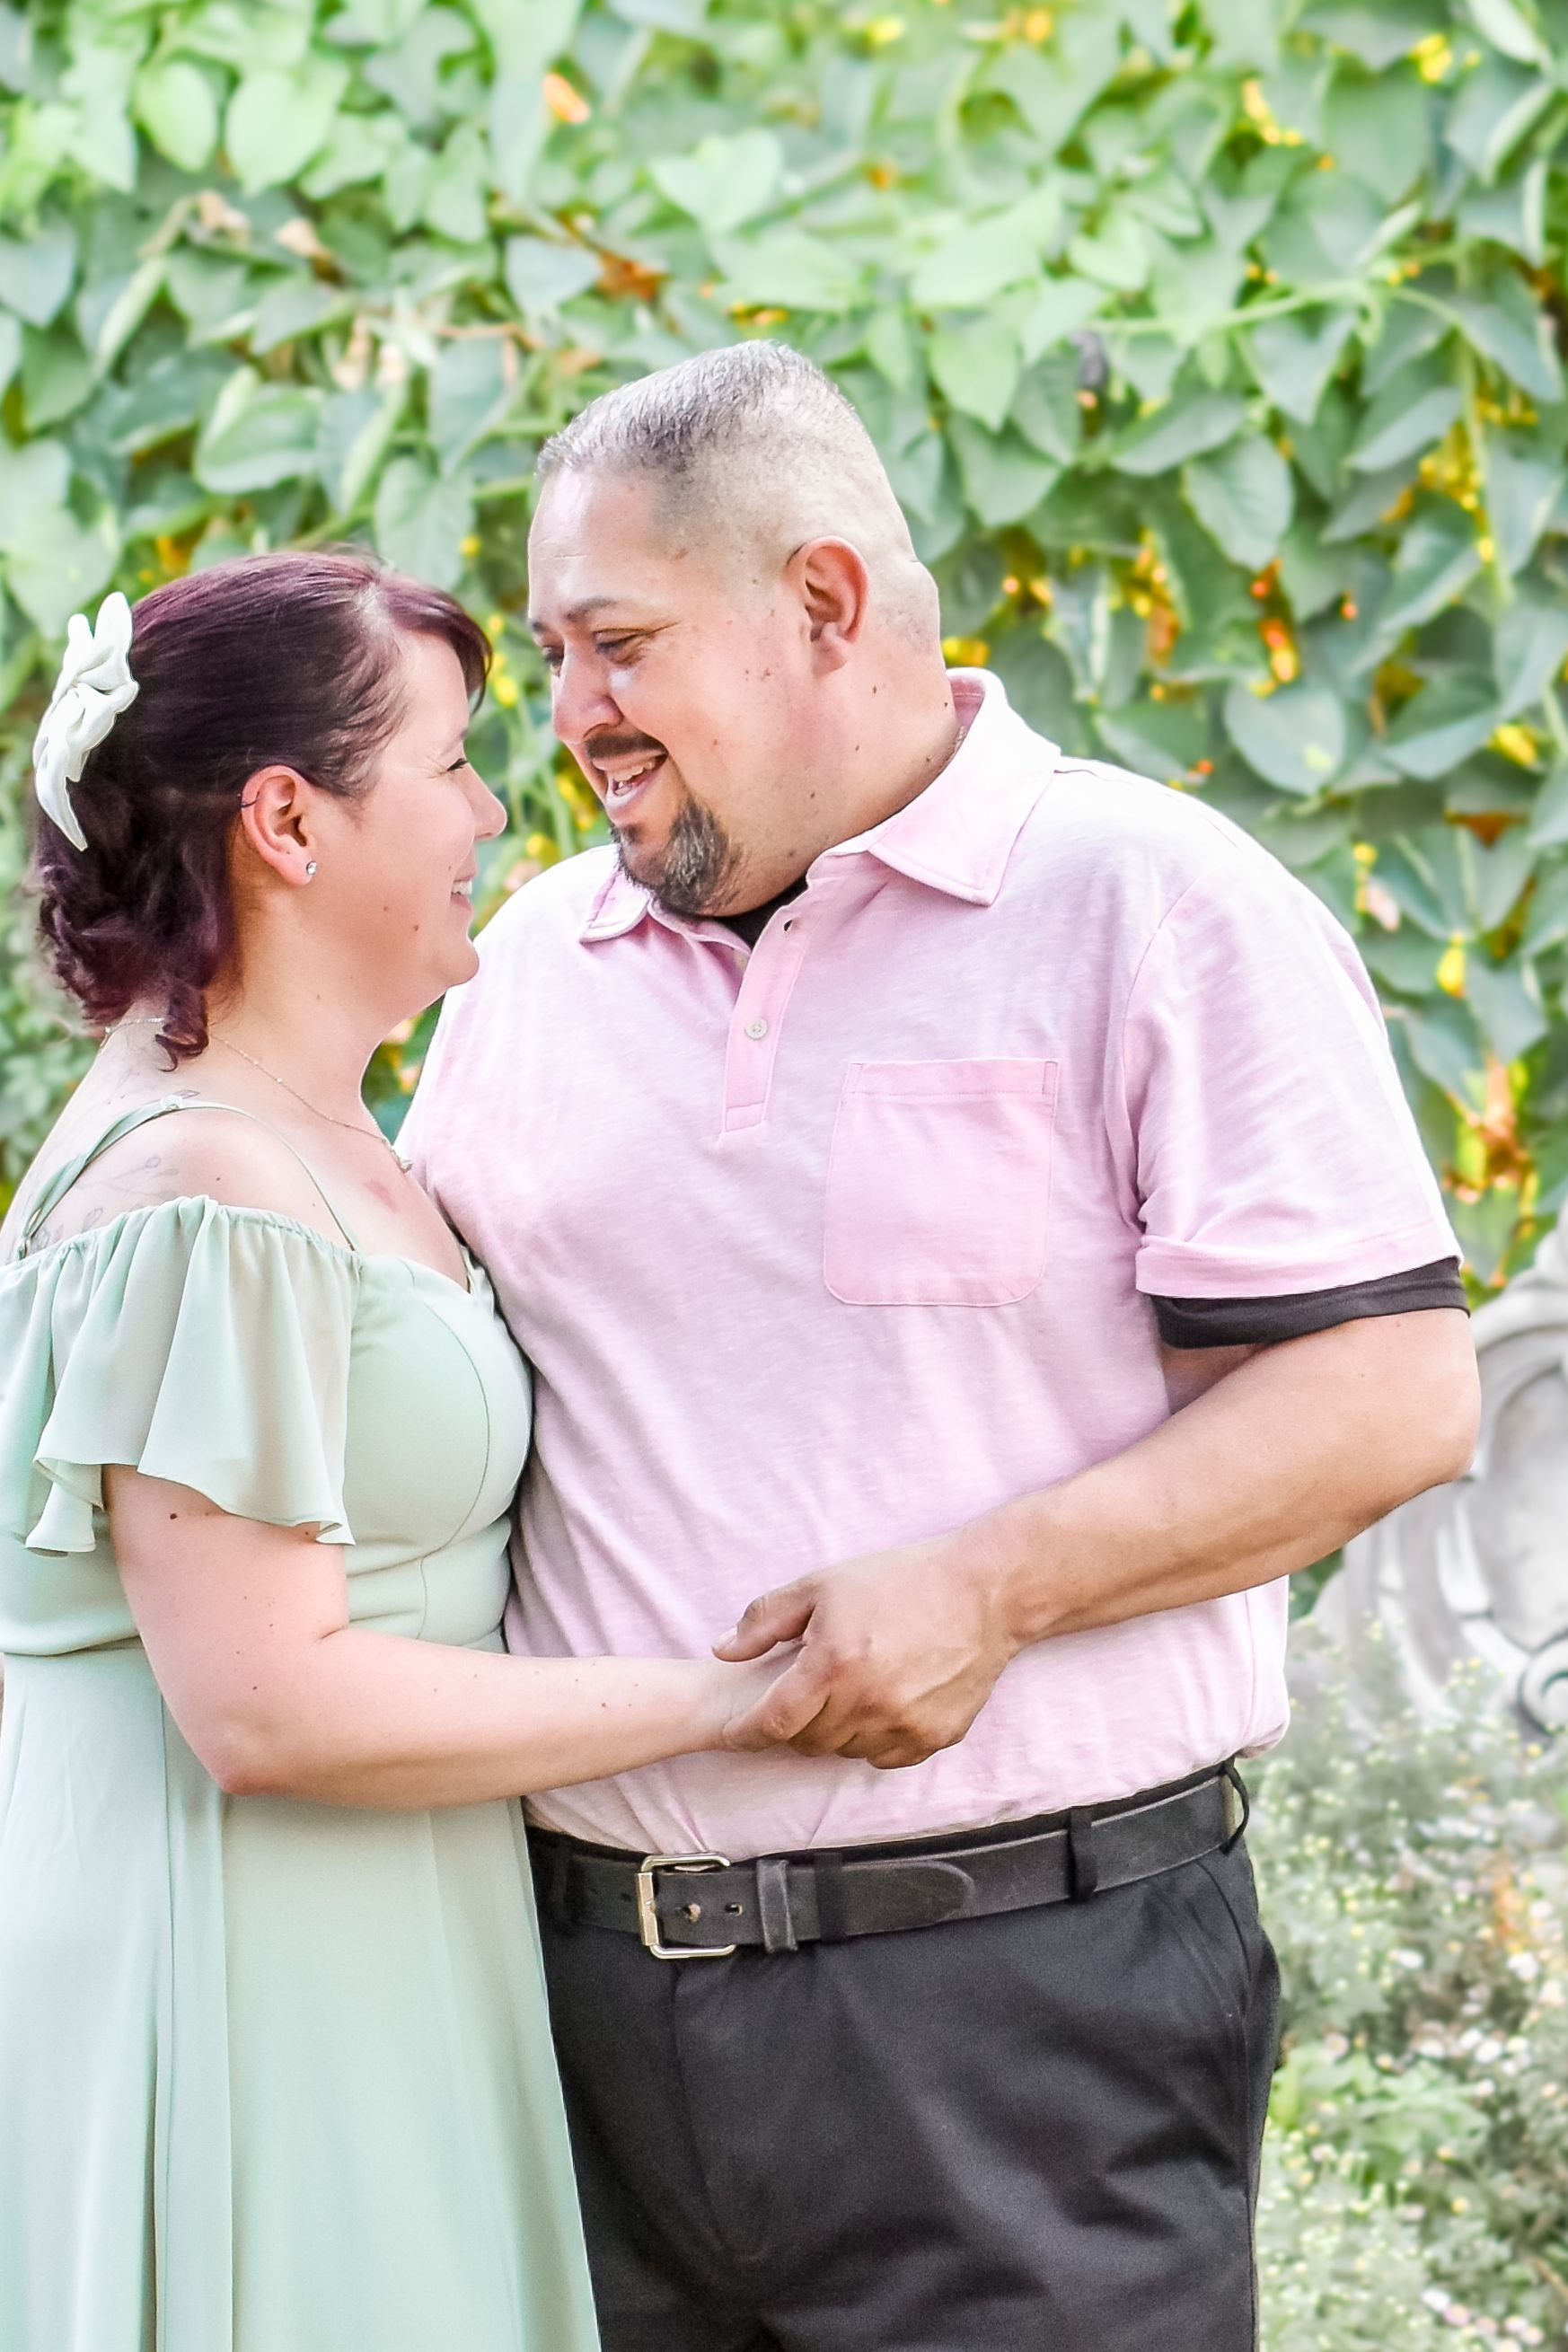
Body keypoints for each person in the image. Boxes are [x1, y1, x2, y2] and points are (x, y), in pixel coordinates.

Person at [402, 341, 1483, 2352]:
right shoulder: (523, 969)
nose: (575, 723)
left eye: (618, 644)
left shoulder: (1152, 905)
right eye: (554, 656)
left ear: (821, 601)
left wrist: (989, 1585)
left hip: (1022, 2019)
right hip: (564, 2026)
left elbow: (1394, 1392)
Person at [0, 550, 809, 2352]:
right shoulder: (207, 1183)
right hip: (254, 1976)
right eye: (448, 762)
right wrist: (736, 1698)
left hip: (375, 1941)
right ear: (287, 820)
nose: (489, 809)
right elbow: (269, 1705)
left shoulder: (325, 1130)